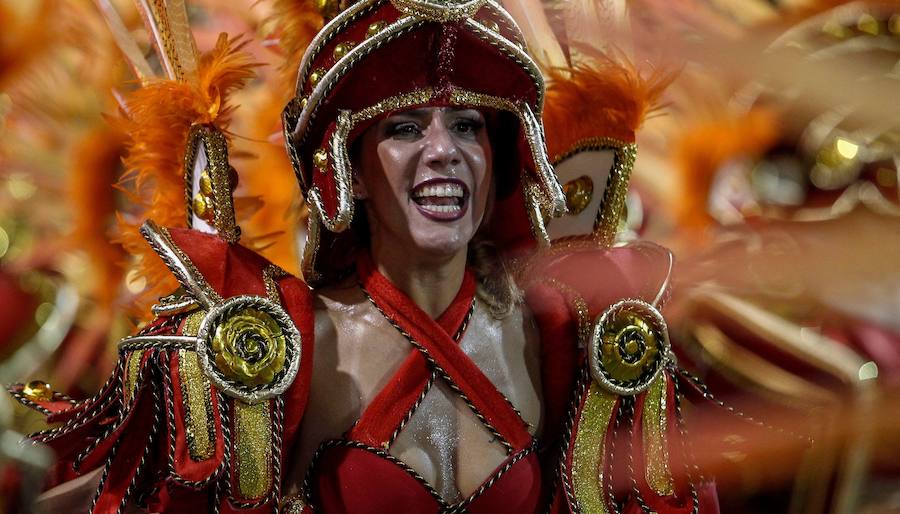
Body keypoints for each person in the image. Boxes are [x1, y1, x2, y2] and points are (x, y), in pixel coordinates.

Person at [10, 0, 721, 512]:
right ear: (345, 168)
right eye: (405, 127)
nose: (444, 151)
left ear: (502, 159)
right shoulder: (282, 349)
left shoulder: (569, 340)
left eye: (469, 126)